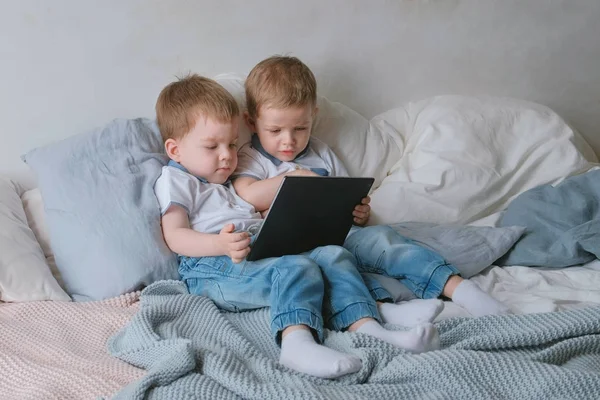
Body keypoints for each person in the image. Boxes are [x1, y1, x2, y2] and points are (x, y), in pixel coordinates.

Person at [153, 74, 440, 379]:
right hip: (209, 266)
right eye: (212, 146)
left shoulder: (226, 180)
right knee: (295, 269)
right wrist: (219, 245)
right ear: (175, 150)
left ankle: (368, 323)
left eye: (232, 144)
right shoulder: (177, 180)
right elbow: (174, 235)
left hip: (251, 253)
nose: (227, 156)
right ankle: (297, 344)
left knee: (329, 255)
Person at [232, 55, 511, 319]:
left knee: (384, 240)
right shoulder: (251, 157)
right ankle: (382, 309)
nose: (288, 141)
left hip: (337, 235)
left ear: (313, 118)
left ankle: (459, 288)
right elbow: (247, 193)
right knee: (334, 267)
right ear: (251, 122)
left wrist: (357, 212)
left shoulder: (321, 152)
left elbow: (343, 194)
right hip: (293, 251)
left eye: (300, 128)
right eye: (275, 130)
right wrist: (293, 180)